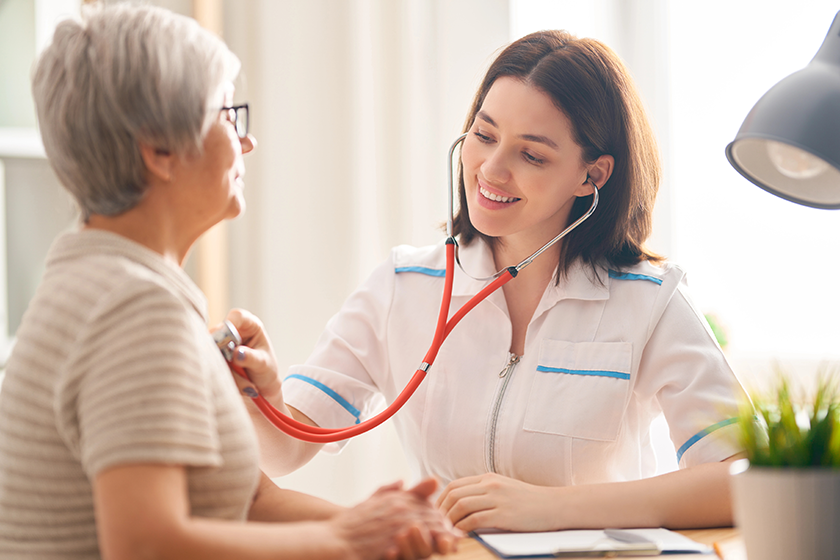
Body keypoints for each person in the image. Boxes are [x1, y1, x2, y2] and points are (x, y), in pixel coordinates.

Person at [230, 30, 748, 532]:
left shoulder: (650, 304)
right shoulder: (402, 287)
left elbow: (742, 479)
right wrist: (265, 393)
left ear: (593, 175)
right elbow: (285, 450)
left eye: (532, 154)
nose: (491, 170)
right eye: (483, 135)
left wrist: (553, 509)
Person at [0, 4, 458, 559]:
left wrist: (381, 524)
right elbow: (145, 544)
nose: (247, 143)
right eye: (226, 115)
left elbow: (243, 501)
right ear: (160, 149)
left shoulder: (92, 278)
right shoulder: (134, 306)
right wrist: (343, 539)